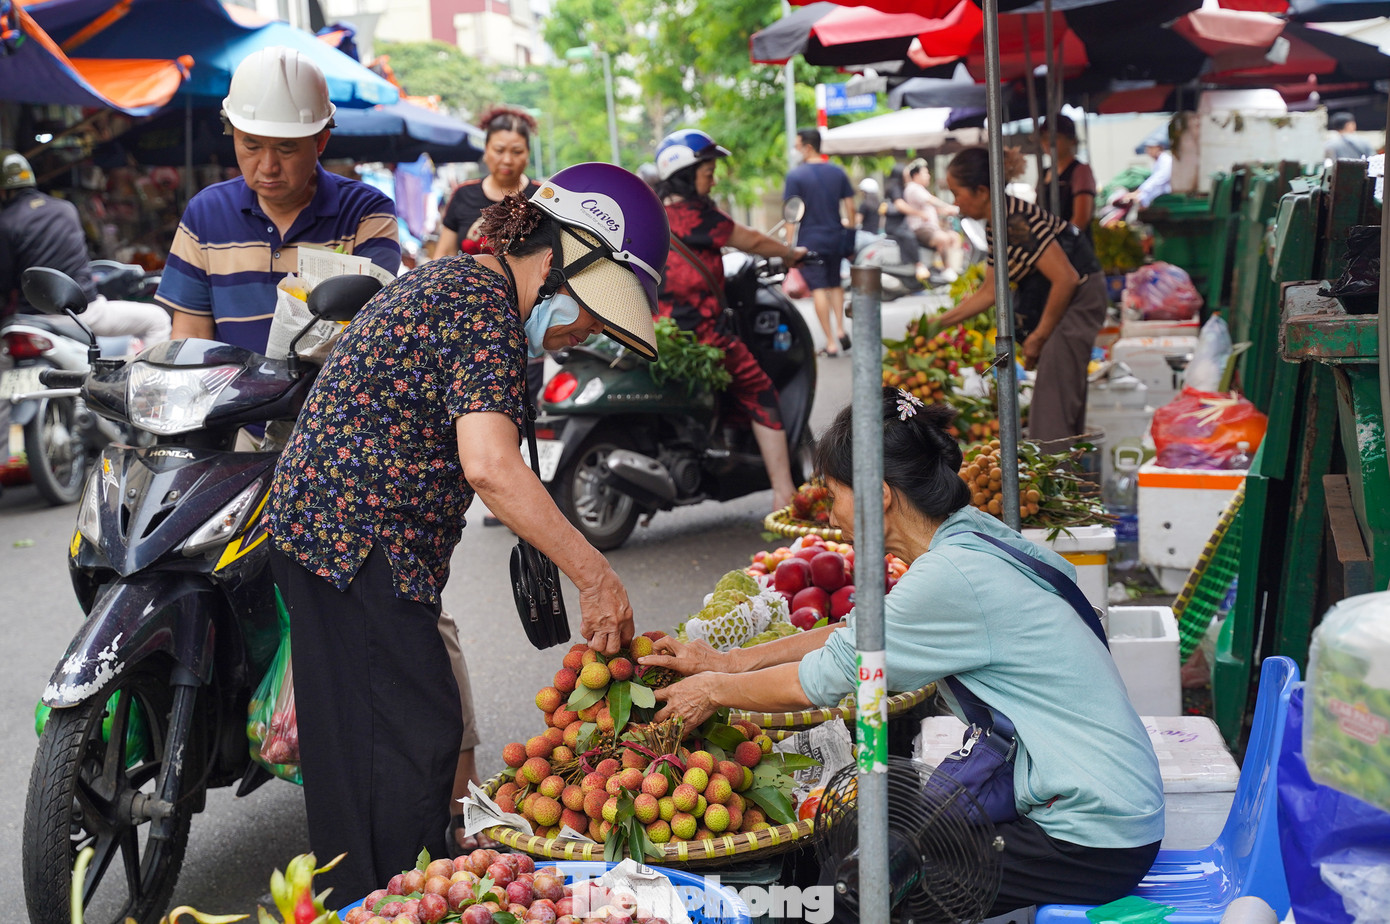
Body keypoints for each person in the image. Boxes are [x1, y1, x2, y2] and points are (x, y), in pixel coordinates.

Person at [263, 162, 667, 900]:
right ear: (556, 261)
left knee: (369, 746)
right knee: (407, 744)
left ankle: (371, 896)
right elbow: (490, 466)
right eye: (589, 310)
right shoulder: (481, 305)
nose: (581, 332)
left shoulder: (462, 288)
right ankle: (394, 899)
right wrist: (595, 575)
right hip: (355, 544)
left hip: (336, 538)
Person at [639, 389, 1164, 914]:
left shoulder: (951, 575)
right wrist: (727, 663)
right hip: (1100, 801)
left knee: (855, 894)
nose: (831, 509)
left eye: (834, 492)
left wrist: (714, 691)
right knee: (860, 855)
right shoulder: (973, 535)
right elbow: (861, 634)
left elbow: (822, 679)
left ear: (879, 494)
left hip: (1091, 836)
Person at [156, 45, 400, 353]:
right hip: (231, 398)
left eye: (286, 149)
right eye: (251, 146)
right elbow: (190, 333)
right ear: (232, 135)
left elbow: (374, 324)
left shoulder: (366, 213)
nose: (268, 166)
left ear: (320, 141)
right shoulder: (206, 212)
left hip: (330, 399)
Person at [654, 129, 805, 512]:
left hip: (657, 334)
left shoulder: (652, 215)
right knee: (760, 390)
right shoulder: (698, 216)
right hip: (701, 337)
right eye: (707, 170)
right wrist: (790, 253)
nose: (713, 177)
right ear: (686, 173)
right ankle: (784, 492)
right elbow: (750, 240)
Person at [934, 147, 1107, 450]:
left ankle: (1056, 478)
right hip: (1068, 297)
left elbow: (1065, 279)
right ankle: (1066, 473)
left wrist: (1039, 336)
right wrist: (938, 324)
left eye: (957, 192)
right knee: (1059, 394)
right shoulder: (997, 223)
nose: (955, 202)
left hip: (1078, 298)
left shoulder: (1016, 221)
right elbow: (990, 291)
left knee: (1052, 402)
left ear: (981, 190)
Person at [0, 149, 171, 344]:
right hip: (86, 314)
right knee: (158, 319)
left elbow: (4, 281)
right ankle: (143, 375)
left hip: (34, 320)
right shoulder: (65, 209)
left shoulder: (6, 222)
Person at [432, 105, 542, 259]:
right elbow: (443, 255)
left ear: (527, 154)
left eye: (516, 152)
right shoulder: (463, 194)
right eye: (499, 150)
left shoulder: (543, 197)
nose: (507, 160)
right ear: (486, 150)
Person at [784, 128, 855, 356]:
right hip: (836, 237)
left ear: (808, 146)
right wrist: (850, 235)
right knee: (835, 284)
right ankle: (842, 330)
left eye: (797, 146)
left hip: (810, 241)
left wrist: (787, 248)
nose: (796, 150)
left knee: (818, 290)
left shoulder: (796, 176)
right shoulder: (838, 172)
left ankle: (831, 342)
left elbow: (790, 215)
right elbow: (851, 208)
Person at [1036, 114, 1097, 237]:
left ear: (1071, 140)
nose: (1048, 143)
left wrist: (1061, 242)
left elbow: (1081, 219)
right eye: (1044, 137)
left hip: (1074, 248)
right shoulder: (1044, 173)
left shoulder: (1080, 170)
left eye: (1055, 137)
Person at [903, 158, 962, 283]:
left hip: (932, 227)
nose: (928, 176)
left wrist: (945, 211)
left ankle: (954, 269)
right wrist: (948, 206)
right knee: (944, 238)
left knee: (955, 237)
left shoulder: (921, 189)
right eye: (925, 173)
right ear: (916, 175)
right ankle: (947, 269)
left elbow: (932, 208)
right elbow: (931, 201)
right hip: (921, 229)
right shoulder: (913, 188)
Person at [1116, 133, 1172, 212]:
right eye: (1148, 148)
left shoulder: (1166, 160)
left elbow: (1158, 180)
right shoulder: (1157, 162)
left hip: (1165, 194)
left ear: (1158, 148)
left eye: (1151, 148)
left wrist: (1140, 192)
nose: (1148, 151)